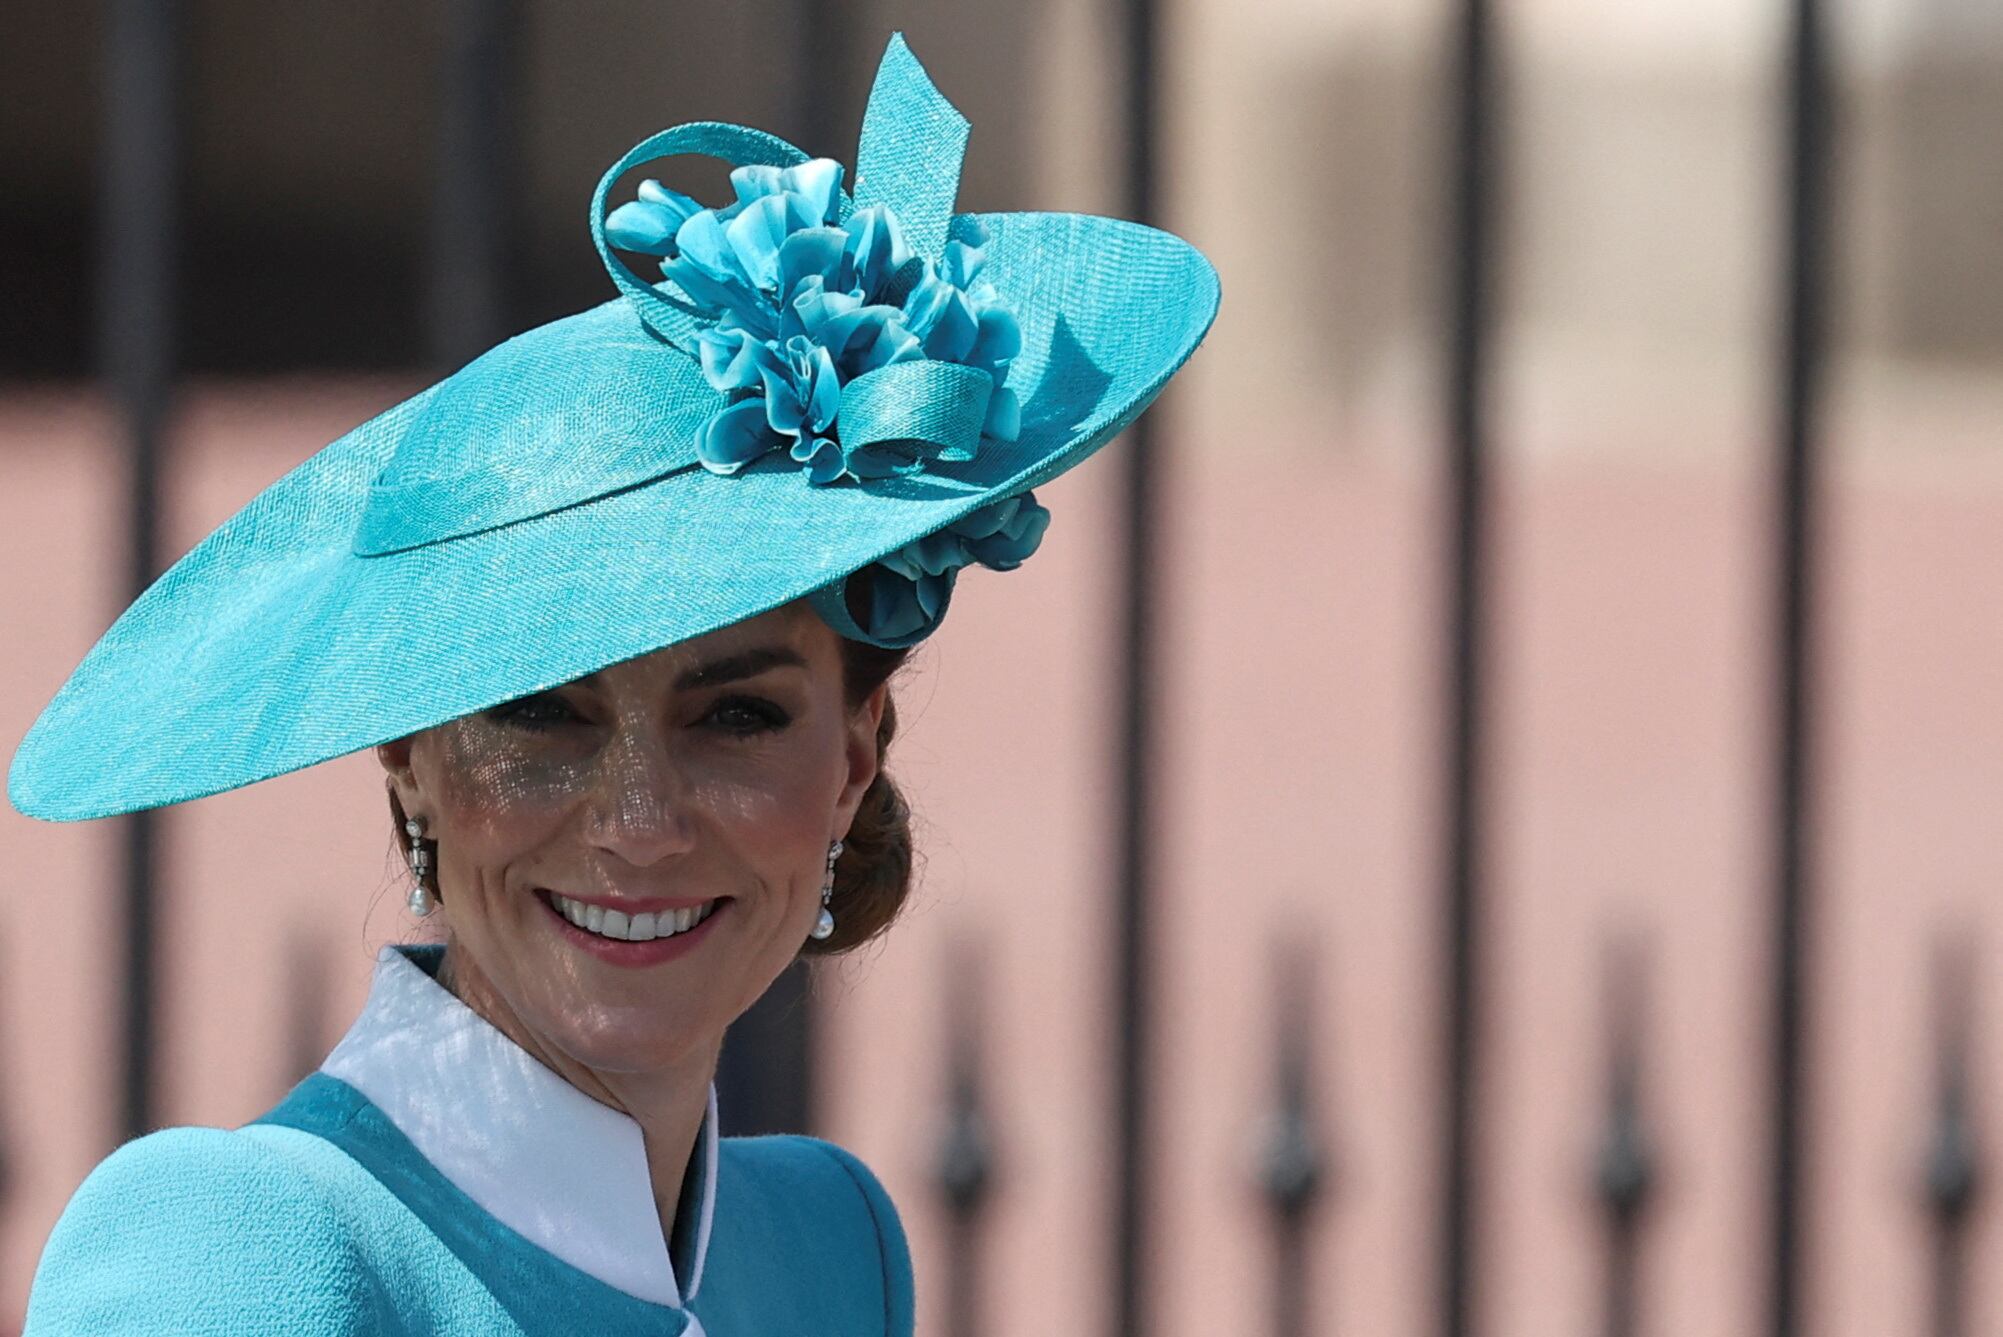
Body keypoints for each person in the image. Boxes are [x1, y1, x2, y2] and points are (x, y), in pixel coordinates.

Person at [6, 33, 1217, 1336]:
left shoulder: (830, 1249)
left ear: (855, 759)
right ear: (407, 752)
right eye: (540, 711)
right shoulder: (244, 1251)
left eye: (737, 714)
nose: (638, 819)